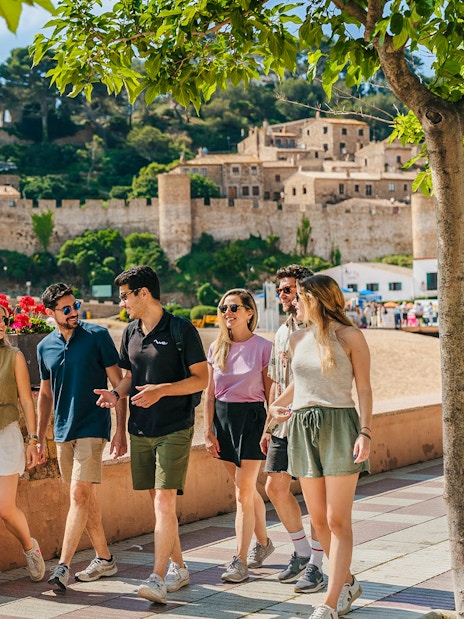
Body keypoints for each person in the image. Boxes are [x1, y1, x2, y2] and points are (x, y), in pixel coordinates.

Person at [94, 265, 208, 605]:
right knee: (159, 506)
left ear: (144, 293)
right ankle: (180, 567)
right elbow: (129, 378)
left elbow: (201, 379)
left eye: (126, 295)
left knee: (163, 501)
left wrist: (163, 391)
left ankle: (157, 578)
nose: (122, 302)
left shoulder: (180, 329)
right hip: (140, 429)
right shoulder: (129, 332)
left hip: (174, 427)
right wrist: (116, 398)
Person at [270, 274, 371, 619]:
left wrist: (366, 432)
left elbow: (365, 389)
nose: (294, 302)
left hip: (340, 426)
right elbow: (300, 383)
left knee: (337, 519)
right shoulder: (298, 339)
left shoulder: (351, 336)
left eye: (299, 297)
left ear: (316, 299)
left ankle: (328, 602)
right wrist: (274, 408)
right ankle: (347, 583)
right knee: (320, 521)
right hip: (302, 427)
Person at [37, 283, 127, 590]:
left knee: (78, 495)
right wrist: (38, 437)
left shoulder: (98, 336)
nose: (74, 312)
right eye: (66, 309)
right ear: (51, 313)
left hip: (92, 426)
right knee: (83, 497)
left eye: (75, 306)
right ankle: (105, 559)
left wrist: (120, 430)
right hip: (63, 431)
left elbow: (119, 386)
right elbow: (45, 395)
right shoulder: (44, 346)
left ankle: (63, 566)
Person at [260, 265, 325, 592]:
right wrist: (268, 425)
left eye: (288, 290)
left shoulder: (320, 329)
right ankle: (301, 552)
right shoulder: (283, 331)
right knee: (274, 487)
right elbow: (275, 382)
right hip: (284, 423)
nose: (283, 296)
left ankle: (317, 563)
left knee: (316, 497)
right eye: (281, 291)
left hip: (313, 421)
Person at [204, 288, 274, 583]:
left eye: (233, 307)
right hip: (222, 420)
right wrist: (207, 431)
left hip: (252, 419)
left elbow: (272, 394)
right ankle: (265, 543)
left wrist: (270, 429)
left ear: (249, 312)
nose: (227, 313)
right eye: (223, 308)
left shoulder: (263, 348)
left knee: (242, 491)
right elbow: (209, 395)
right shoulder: (216, 347)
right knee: (244, 489)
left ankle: (239, 560)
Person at [0, 302, 45, 582]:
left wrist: (33, 439)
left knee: (4, 507)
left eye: (2, 318)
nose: (0, 323)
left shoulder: (13, 356)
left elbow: (27, 400)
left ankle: (30, 547)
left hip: (6, 434)